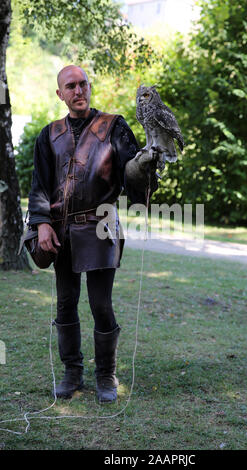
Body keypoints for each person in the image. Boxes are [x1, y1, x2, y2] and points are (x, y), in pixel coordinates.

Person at [28, 65, 158, 403]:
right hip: (61, 230)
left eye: (83, 84)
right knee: (66, 302)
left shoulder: (114, 127)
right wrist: (42, 223)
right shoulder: (49, 134)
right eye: (70, 86)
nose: (78, 91)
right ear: (60, 94)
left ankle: (106, 376)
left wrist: (142, 167)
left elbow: (133, 176)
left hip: (100, 223)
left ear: (90, 87)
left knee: (101, 303)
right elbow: (39, 184)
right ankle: (72, 374)